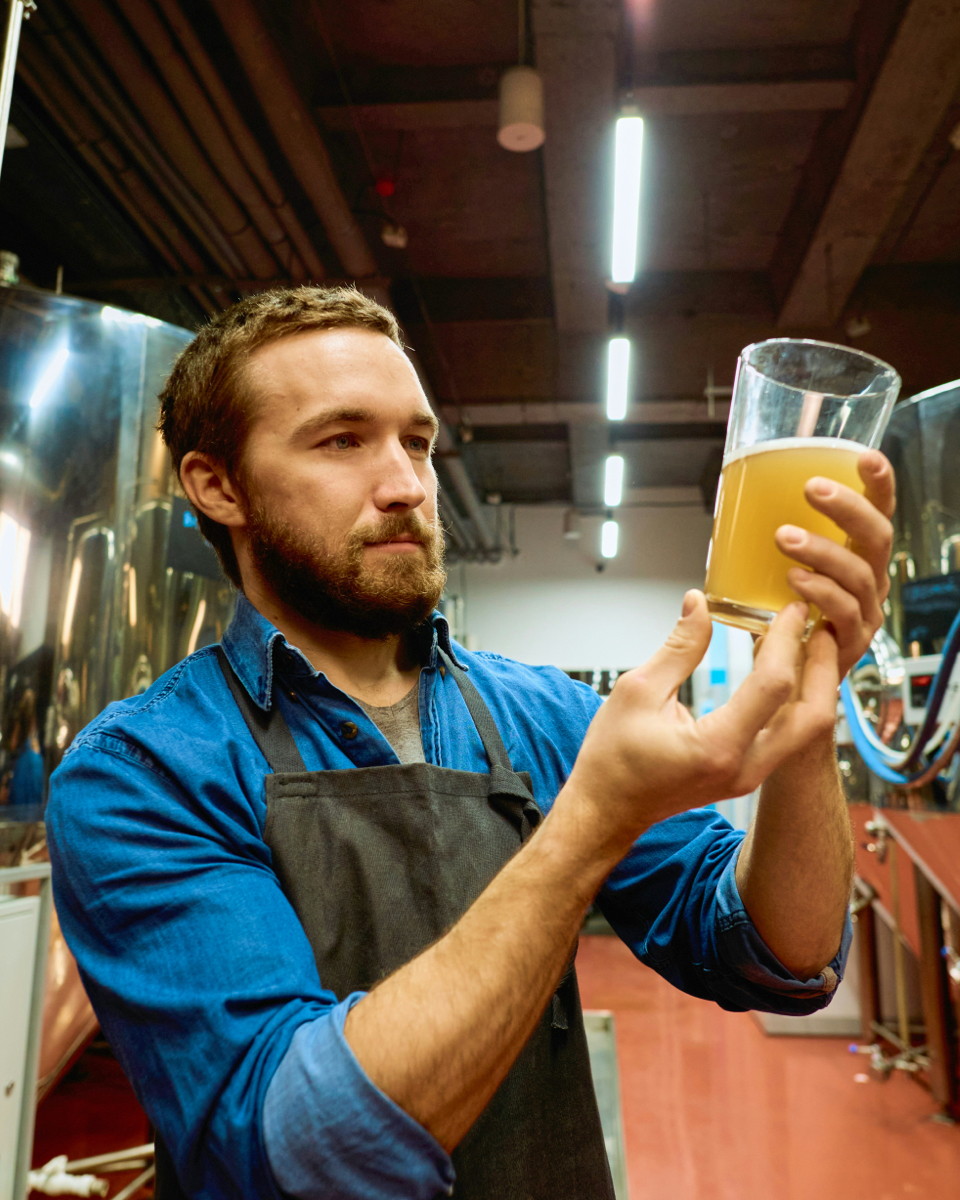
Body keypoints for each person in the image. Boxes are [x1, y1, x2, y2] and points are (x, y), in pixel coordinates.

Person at [46, 287, 896, 1200]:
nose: (409, 486)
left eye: (416, 442)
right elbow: (294, 1151)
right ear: (218, 486)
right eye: (342, 441)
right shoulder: (143, 770)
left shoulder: (542, 713)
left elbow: (777, 955)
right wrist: (589, 826)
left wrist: (807, 703)